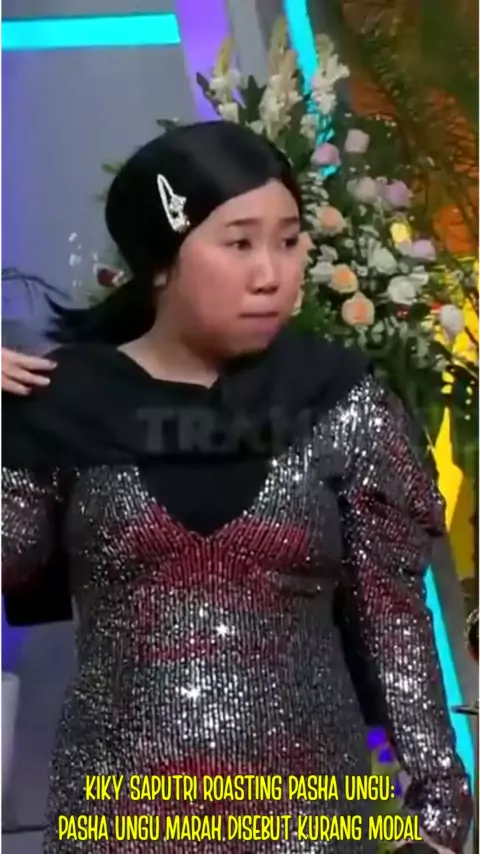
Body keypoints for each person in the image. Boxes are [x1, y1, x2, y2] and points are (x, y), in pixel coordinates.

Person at [1, 121, 472, 854]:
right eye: (240, 243)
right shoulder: (64, 403)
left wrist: (440, 813)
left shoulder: (339, 398)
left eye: (288, 241)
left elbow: (396, 622)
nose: (271, 274)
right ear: (160, 262)